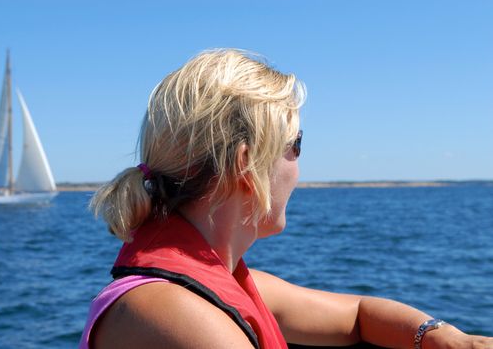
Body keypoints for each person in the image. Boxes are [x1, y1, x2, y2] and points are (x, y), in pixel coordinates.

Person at [79, 49, 492, 349]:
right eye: (296, 145)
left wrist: (443, 337)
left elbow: (358, 315)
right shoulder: (180, 318)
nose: (298, 165)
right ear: (247, 164)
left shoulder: (226, 284)